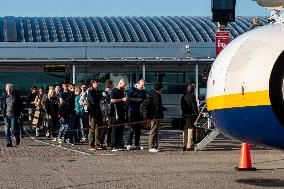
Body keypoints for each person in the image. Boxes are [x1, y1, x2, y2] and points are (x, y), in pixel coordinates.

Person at [126, 79, 146, 150]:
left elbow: (144, 100)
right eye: (142, 85)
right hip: (132, 111)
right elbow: (127, 98)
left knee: (138, 129)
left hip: (139, 112)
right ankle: (129, 143)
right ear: (139, 83)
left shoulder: (143, 91)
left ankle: (137, 143)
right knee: (132, 128)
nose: (143, 87)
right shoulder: (132, 90)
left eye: (144, 86)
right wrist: (135, 99)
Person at [147, 82, 166, 153]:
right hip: (155, 116)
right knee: (154, 130)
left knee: (154, 130)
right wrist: (163, 109)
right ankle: (151, 146)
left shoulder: (152, 94)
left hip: (152, 115)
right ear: (160, 88)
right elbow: (157, 107)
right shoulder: (157, 96)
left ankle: (155, 145)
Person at [110, 79, 129, 151]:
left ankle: (119, 144)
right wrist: (122, 99)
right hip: (115, 113)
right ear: (120, 83)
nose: (124, 87)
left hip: (122, 112)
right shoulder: (113, 90)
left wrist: (125, 100)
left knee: (121, 129)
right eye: (123, 85)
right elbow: (112, 100)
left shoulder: (122, 91)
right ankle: (113, 146)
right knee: (115, 129)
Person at [181, 84, 199, 151]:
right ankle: (189, 145)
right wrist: (197, 114)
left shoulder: (183, 96)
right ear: (193, 90)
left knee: (185, 130)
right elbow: (194, 106)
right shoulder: (192, 96)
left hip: (184, 115)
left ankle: (184, 145)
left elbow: (182, 107)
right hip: (191, 116)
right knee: (190, 130)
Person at [87, 79, 103, 150]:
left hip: (99, 112)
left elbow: (102, 101)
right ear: (92, 84)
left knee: (98, 128)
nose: (98, 84)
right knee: (92, 128)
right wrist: (99, 100)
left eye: (98, 82)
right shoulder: (90, 92)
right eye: (96, 83)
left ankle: (98, 143)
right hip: (93, 112)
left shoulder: (99, 92)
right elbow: (93, 101)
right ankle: (91, 144)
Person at [100, 80, 114, 147]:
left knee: (109, 128)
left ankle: (108, 142)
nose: (113, 85)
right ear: (110, 85)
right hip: (106, 113)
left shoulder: (112, 92)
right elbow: (104, 104)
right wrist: (106, 114)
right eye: (112, 84)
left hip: (111, 112)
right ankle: (101, 141)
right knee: (105, 128)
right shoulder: (104, 93)